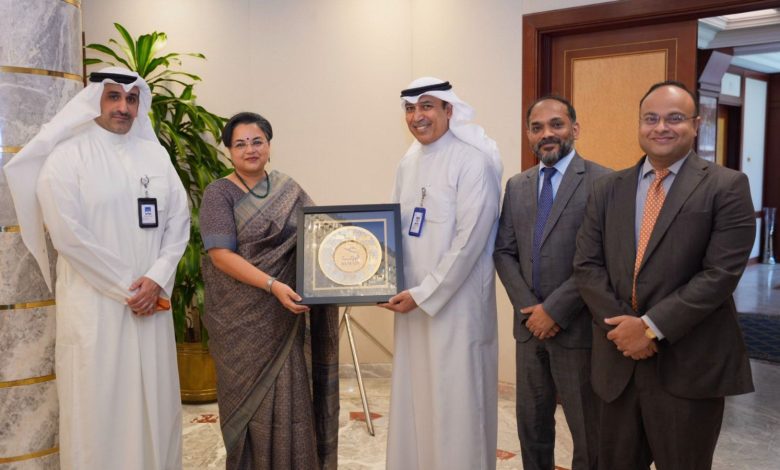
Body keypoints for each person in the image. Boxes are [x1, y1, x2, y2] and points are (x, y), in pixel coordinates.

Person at [3, 67, 189, 469]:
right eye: (113, 97)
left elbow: (179, 222)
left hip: (150, 305)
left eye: (132, 99)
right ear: (94, 100)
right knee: (101, 406)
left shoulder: (155, 155)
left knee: (155, 405)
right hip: (97, 307)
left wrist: (156, 279)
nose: (124, 107)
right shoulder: (67, 157)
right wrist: (129, 288)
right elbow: (68, 235)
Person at [574, 81, 756, 469]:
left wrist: (650, 327)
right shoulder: (607, 189)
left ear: (696, 123)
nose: (661, 127)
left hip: (689, 365)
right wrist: (625, 330)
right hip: (616, 362)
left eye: (674, 118)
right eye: (650, 118)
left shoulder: (727, 186)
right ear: (639, 124)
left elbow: (720, 274)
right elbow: (587, 266)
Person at [199, 112, 339, 470]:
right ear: (229, 151)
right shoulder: (219, 193)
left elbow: (321, 233)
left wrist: (366, 260)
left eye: (257, 141)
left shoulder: (288, 189)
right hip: (240, 321)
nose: (250, 149)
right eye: (240, 144)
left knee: (291, 395)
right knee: (248, 404)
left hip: (283, 316)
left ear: (269, 146)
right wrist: (272, 285)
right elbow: (220, 255)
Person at [380, 77, 503, 470]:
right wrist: (384, 278)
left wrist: (425, 292)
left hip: (456, 307)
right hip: (410, 303)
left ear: (449, 110)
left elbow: (470, 241)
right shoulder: (408, 162)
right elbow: (395, 229)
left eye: (427, 106)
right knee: (416, 396)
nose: (417, 116)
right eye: (410, 109)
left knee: (455, 401)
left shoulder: (473, 161)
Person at [494, 96, 607, 470]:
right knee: (532, 428)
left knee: (588, 433)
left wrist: (554, 310)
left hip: (578, 329)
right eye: (537, 127)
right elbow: (503, 251)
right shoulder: (517, 185)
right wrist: (531, 311)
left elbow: (602, 259)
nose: (547, 133)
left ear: (575, 128)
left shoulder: (604, 182)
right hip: (529, 331)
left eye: (556, 124)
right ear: (528, 134)